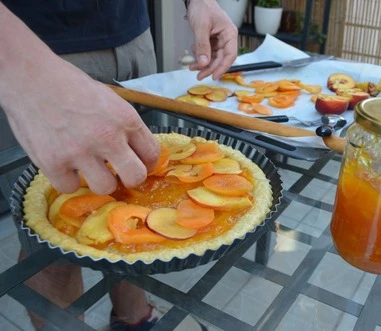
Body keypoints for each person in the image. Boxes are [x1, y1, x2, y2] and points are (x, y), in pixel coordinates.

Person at [0, 1, 237, 330]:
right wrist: (19, 68)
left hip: (134, 38)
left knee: (135, 200)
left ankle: (133, 319)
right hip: (32, 50)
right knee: (50, 244)